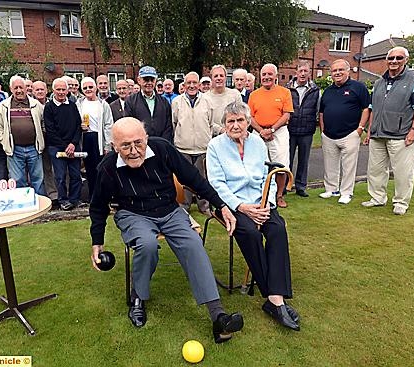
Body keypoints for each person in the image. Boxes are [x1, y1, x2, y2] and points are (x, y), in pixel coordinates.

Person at [89, 117, 244, 343]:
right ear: (114, 146)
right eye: (125, 146)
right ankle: (138, 298)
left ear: (147, 139)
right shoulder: (107, 168)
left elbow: (193, 178)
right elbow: (97, 207)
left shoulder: (162, 149)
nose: (134, 151)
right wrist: (97, 243)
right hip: (133, 214)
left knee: (193, 244)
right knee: (148, 244)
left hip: (170, 211)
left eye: (138, 143)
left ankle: (218, 316)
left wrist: (221, 205)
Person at [207, 101, 300, 331]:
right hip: (230, 204)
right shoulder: (215, 146)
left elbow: (263, 178)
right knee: (250, 233)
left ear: (249, 122)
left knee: (277, 228)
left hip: (260, 202)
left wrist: (265, 205)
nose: (236, 125)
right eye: (231, 121)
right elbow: (216, 184)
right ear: (224, 124)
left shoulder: (257, 142)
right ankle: (274, 297)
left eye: (240, 120)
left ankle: (274, 298)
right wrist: (243, 207)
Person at [362, 46, 414, 215]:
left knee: (403, 172)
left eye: (399, 58)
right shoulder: (379, 82)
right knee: (375, 170)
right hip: (377, 133)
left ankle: (401, 202)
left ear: (406, 60)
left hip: (401, 134)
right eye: (391, 58)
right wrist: (370, 130)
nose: (394, 61)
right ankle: (377, 198)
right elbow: (372, 108)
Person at [319, 59, 370, 204]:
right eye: (334, 71)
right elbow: (322, 112)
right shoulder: (328, 91)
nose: (337, 73)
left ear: (348, 71)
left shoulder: (358, 87)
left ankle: (346, 192)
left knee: (349, 165)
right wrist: (323, 130)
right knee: (330, 164)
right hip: (329, 135)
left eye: (341, 70)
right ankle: (331, 189)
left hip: (350, 134)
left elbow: (366, 108)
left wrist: (360, 128)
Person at [248, 63, 293, 208]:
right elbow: (250, 117)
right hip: (258, 132)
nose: (266, 77)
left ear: (276, 76)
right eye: (264, 75)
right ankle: (260, 195)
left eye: (269, 74)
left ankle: (279, 196)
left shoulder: (284, 92)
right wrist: (261, 131)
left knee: (280, 165)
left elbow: (286, 115)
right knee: (258, 165)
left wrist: (272, 130)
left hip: (278, 132)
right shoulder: (254, 94)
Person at [0, 75, 46, 195]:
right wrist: (4, 142)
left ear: (26, 88)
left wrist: (41, 139)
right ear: (11, 89)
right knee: (18, 180)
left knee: (38, 180)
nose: (19, 90)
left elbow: (43, 123)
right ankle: (24, 207)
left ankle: (39, 206)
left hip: (34, 148)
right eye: (15, 88)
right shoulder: (4, 106)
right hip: (15, 149)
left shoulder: (36, 104)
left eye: (21, 87)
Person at [171, 71, 213, 215]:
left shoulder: (207, 101)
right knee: (184, 179)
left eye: (194, 82)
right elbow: (174, 123)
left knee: (203, 179)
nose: (192, 85)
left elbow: (211, 123)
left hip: (203, 147)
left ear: (199, 84)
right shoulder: (176, 102)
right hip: (183, 147)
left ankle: (204, 206)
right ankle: (184, 205)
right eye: (188, 83)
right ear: (184, 85)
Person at [44, 78, 83, 210]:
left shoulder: (72, 105)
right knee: (60, 177)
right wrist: (65, 146)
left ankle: (75, 199)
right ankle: (63, 200)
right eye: (58, 89)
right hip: (57, 147)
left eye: (63, 89)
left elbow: (78, 125)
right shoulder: (49, 107)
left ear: (67, 90)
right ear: (53, 90)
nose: (61, 92)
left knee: (76, 175)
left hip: (73, 146)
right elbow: (50, 130)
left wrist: (73, 143)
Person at [285, 61, 321, 197]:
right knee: (287, 159)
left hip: (307, 130)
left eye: (306, 71)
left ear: (309, 73)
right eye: (301, 71)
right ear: (296, 72)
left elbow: (318, 110)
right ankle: (285, 186)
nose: (303, 74)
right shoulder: (287, 89)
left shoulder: (315, 90)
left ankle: (301, 186)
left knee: (303, 160)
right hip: (290, 129)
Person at [76, 77, 113, 200]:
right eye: (85, 88)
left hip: (99, 139)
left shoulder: (103, 105)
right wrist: (80, 126)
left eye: (90, 87)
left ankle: (102, 196)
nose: (88, 90)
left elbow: (108, 125)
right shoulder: (79, 104)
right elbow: (74, 122)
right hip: (85, 138)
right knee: (88, 169)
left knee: (100, 168)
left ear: (95, 88)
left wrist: (108, 144)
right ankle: (92, 195)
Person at [124, 65, 173, 142]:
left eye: (152, 79)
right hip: (140, 144)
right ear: (139, 80)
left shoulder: (164, 102)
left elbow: (168, 126)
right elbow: (130, 124)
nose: (149, 83)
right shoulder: (131, 101)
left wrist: (163, 143)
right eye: (146, 79)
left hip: (161, 145)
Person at [33, 80, 59, 208]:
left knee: (59, 169)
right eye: (37, 90)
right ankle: (50, 196)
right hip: (39, 143)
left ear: (46, 90)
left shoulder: (52, 104)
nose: (39, 92)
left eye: (41, 89)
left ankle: (60, 194)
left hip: (54, 141)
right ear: (33, 91)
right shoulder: (31, 105)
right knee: (44, 170)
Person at [203, 65, 242, 135]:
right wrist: (221, 130)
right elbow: (205, 120)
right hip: (213, 137)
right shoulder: (204, 98)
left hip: (234, 134)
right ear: (211, 79)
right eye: (216, 76)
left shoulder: (235, 94)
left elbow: (241, 115)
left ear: (225, 78)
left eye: (221, 75)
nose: (219, 78)